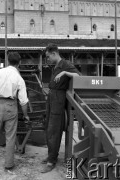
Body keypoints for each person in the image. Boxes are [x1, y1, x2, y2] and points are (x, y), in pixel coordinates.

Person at [0, 52, 29, 170]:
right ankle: (8, 164)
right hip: (10, 106)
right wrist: (26, 115)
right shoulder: (19, 78)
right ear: (19, 63)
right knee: (10, 136)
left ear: (7, 61)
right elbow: (23, 101)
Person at [41, 44, 80, 173]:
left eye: (48, 57)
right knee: (48, 127)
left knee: (54, 130)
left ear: (54, 53)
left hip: (58, 99)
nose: (47, 59)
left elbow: (79, 77)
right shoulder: (56, 66)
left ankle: (51, 161)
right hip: (52, 97)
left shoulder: (65, 64)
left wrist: (64, 72)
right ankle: (52, 155)